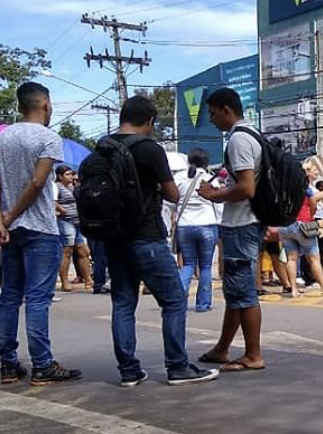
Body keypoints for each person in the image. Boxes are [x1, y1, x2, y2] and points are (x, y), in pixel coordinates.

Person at [100, 96, 217, 387]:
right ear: (150, 121)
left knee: (123, 303)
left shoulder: (102, 148)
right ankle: (177, 367)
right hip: (146, 236)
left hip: (113, 237)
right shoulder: (149, 149)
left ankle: (129, 371)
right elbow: (173, 195)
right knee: (174, 300)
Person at [0, 81, 81, 386]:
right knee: (38, 298)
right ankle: (42, 364)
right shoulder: (49, 138)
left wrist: (1, 221)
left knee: (10, 296)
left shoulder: (2, 138)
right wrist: (12, 215)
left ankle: (8, 365)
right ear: (45, 105)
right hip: (40, 228)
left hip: (11, 231)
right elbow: (39, 183)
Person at [197, 87, 266, 373]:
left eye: (213, 114)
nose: (212, 120)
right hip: (250, 222)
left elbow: (247, 187)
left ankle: (253, 354)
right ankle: (223, 348)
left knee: (243, 292)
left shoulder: (238, 140)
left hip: (241, 224)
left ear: (227, 110)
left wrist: (214, 195)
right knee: (237, 291)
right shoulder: (253, 134)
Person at [173, 148, 223, 313]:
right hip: (207, 224)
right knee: (206, 267)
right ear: (206, 163)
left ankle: (178, 300)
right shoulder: (210, 179)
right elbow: (219, 206)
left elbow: (171, 202)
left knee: (187, 264)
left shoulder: (179, 178)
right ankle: (203, 304)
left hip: (184, 226)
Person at [278, 163, 323, 298]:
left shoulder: (284, 186)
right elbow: (313, 202)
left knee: (291, 258)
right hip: (302, 223)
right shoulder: (305, 187)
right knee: (314, 258)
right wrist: (311, 214)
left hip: (284, 225)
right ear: (305, 173)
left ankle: (294, 290)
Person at [54, 165, 92, 292]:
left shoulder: (72, 187)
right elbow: (52, 201)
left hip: (77, 221)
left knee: (83, 251)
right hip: (66, 221)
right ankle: (64, 281)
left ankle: (88, 280)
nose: (70, 176)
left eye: (71, 174)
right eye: (67, 174)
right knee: (67, 251)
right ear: (60, 176)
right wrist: (61, 210)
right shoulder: (57, 187)